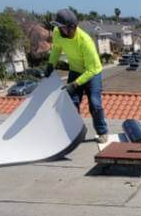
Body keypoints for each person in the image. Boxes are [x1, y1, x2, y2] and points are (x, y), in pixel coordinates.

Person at [44, 9, 108, 143]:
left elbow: (91, 70)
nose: (59, 30)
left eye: (62, 27)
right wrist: (51, 64)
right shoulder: (57, 33)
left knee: (95, 104)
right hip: (75, 70)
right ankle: (75, 133)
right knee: (72, 103)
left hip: (92, 73)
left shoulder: (85, 41)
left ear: (72, 27)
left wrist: (75, 84)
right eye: (58, 27)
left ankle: (102, 132)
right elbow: (56, 49)